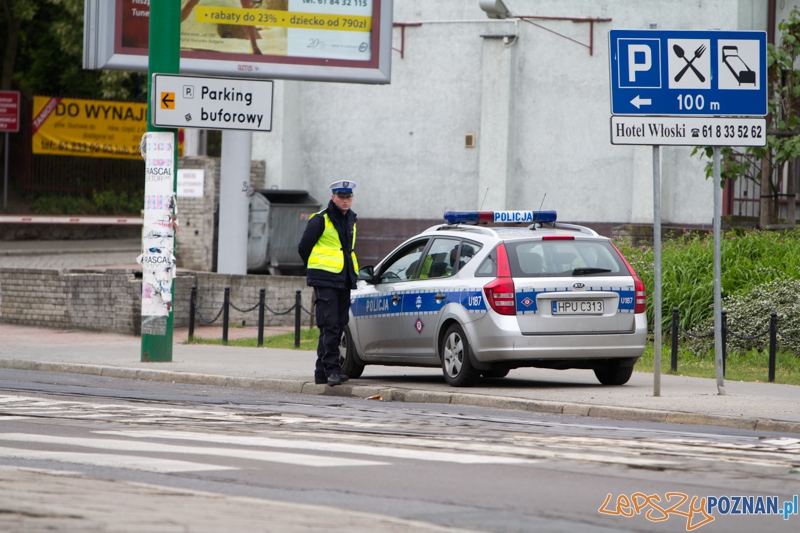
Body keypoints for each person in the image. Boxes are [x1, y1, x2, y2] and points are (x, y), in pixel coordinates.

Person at [298, 180, 359, 386]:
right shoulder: (320, 219)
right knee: (330, 324)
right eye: (341, 197)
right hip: (325, 279)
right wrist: (317, 269)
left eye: (348, 197)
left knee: (338, 324)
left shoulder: (351, 219)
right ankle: (332, 370)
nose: (345, 200)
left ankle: (320, 371)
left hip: (344, 278)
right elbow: (303, 247)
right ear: (333, 197)